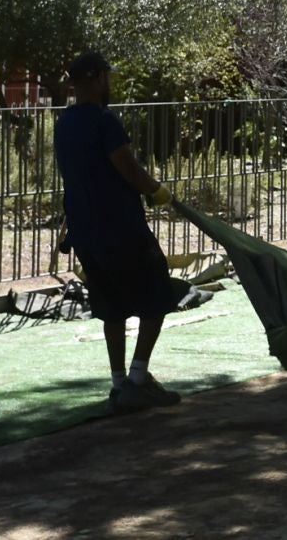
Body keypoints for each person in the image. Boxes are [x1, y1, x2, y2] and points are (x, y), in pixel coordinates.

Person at [54, 50, 184, 414]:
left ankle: (118, 384)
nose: (110, 83)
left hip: (85, 231)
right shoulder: (104, 122)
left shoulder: (64, 123)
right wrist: (157, 190)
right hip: (120, 228)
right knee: (158, 296)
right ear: (97, 79)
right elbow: (128, 168)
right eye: (107, 77)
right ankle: (138, 380)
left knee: (112, 307)